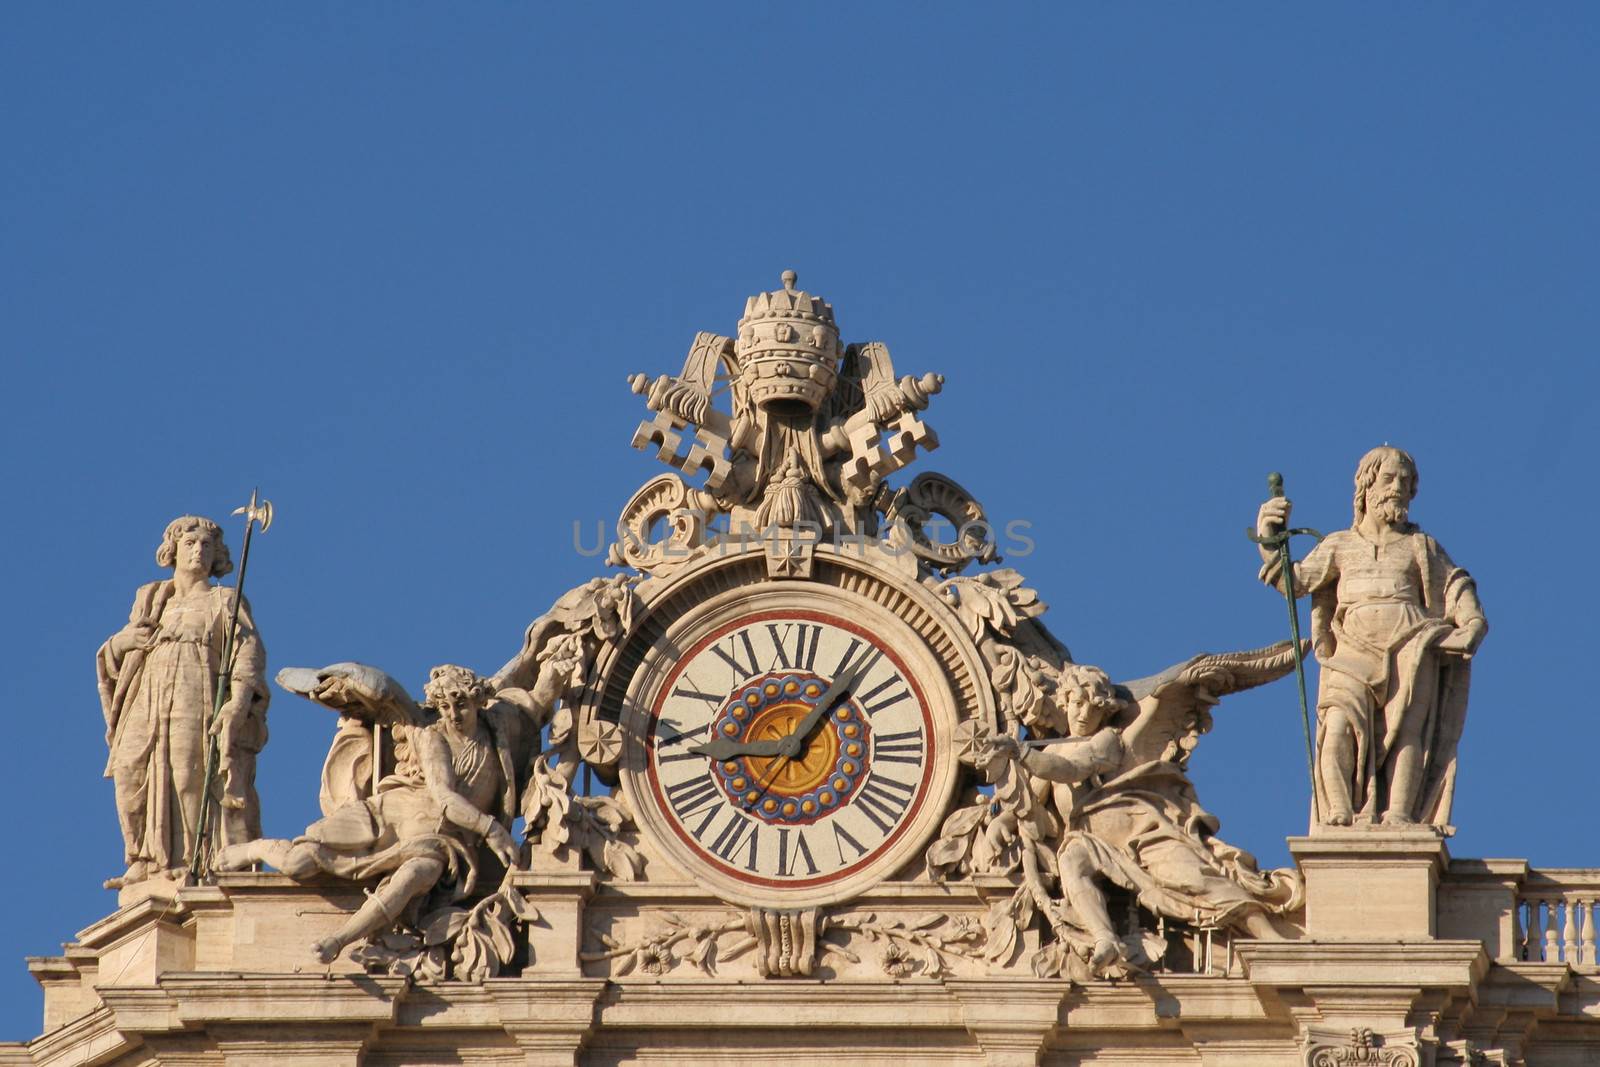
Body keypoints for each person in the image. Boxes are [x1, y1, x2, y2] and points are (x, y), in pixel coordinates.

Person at [990, 664, 1301, 974]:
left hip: (1138, 833)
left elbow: (1071, 768)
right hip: (1090, 841)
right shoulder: (1053, 752)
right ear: (1064, 702)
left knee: (1196, 881)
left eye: (1094, 707)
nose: (1084, 714)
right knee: (1071, 861)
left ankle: (1271, 938)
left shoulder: (1106, 741)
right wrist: (1001, 823)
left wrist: (1023, 753)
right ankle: (1105, 939)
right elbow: (1028, 805)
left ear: (1107, 711)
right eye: (1077, 703)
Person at [215, 665, 530, 964]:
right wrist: (492, 829)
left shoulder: (496, 733)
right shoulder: (431, 736)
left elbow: (529, 678)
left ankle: (339, 939)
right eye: (444, 707)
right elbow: (445, 797)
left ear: (476, 699)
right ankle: (254, 848)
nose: (452, 714)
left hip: (437, 841)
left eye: (460, 704)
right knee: (299, 863)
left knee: (416, 875)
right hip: (388, 815)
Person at [1255, 446, 1487, 828]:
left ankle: (1398, 816)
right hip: (1350, 647)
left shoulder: (1421, 546)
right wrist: (1269, 538)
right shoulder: (1340, 545)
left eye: (1406, 481)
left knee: (1407, 733)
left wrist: (1472, 621)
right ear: (1367, 485)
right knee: (1337, 727)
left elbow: (1455, 585)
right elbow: (1292, 581)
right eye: (1390, 478)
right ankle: (1338, 816)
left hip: (1412, 643)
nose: (1399, 487)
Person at [96, 516, 269, 888]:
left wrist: (238, 701)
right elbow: (116, 651)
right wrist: (120, 644)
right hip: (148, 689)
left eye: (208, 545)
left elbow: (248, 651)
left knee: (188, 773)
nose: (199, 552)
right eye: (191, 543)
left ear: (218, 555)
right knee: (129, 770)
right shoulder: (151, 598)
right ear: (172, 550)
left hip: (195, 684)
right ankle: (141, 856)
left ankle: (188, 862)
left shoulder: (224, 599)